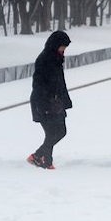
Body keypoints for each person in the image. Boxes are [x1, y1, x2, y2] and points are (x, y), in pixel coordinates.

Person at [28, 30, 73, 169]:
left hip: (56, 103)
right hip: (44, 103)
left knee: (60, 131)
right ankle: (46, 162)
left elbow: (60, 82)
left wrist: (65, 101)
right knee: (52, 132)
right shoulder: (45, 59)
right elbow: (38, 84)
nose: (64, 49)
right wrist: (44, 104)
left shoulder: (57, 59)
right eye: (62, 46)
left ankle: (38, 157)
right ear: (55, 45)